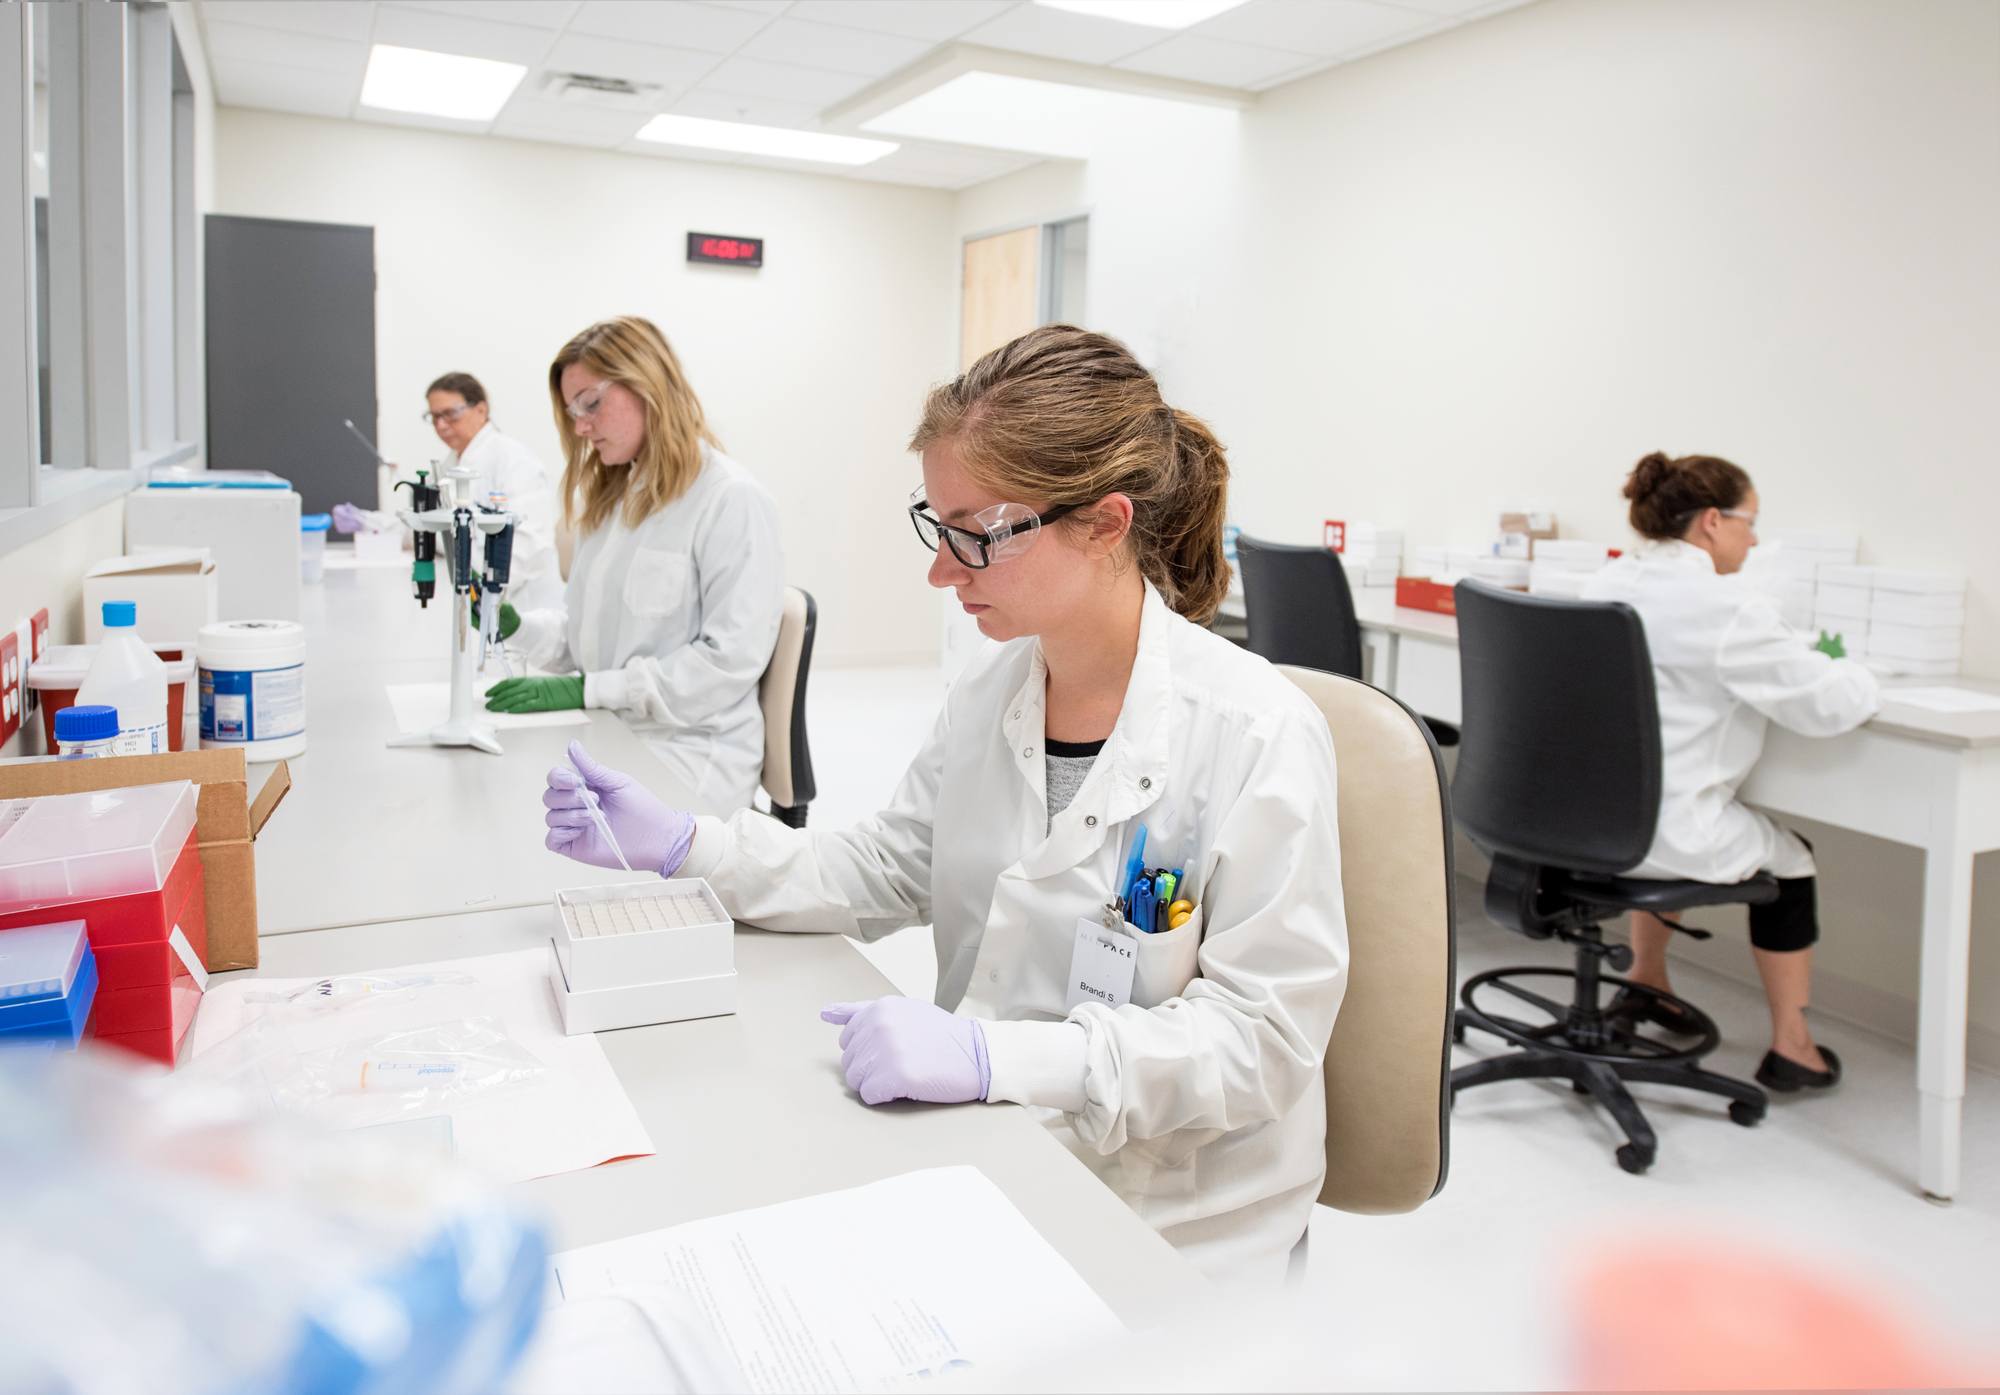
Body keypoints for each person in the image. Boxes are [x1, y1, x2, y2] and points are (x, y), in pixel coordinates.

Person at [540, 326, 1349, 1279]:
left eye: (978, 533)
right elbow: (887, 865)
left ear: (1105, 522)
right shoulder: (993, 688)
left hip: (1166, 1220)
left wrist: (994, 1058)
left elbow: (1261, 1041)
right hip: (983, 1155)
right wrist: (692, 845)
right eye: (938, 524)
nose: (941, 569)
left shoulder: (1256, 733)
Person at [1582, 451, 1880, 1093]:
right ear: (1713, 521)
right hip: (1662, 836)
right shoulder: (1728, 609)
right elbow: (1829, 706)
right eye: (1750, 523)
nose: (1755, 540)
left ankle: (1646, 984)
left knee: (1661, 813)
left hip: (1577, 825)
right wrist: (1859, 670)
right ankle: (1794, 1046)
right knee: (1792, 857)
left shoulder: (1602, 585)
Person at [490, 317, 783, 815]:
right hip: (613, 731)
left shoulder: (729, 499)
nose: (581, 426)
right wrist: (518, 630)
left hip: (688, 754)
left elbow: (726, 664)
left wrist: (589, 689)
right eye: (572, 411)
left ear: (647, 384)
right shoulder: (613, 501)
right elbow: (592, 642)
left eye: (591, 403)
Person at [333, 372, 563, 611]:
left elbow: (524, 549)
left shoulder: (514, 460)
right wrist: (370, 522)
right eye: (434, 417)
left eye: (450, 414)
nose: (441, 425)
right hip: (470, 598)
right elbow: (427, 527)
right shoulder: (449, 466)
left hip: (521, 608)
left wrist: (481, 583)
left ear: (481, 410)